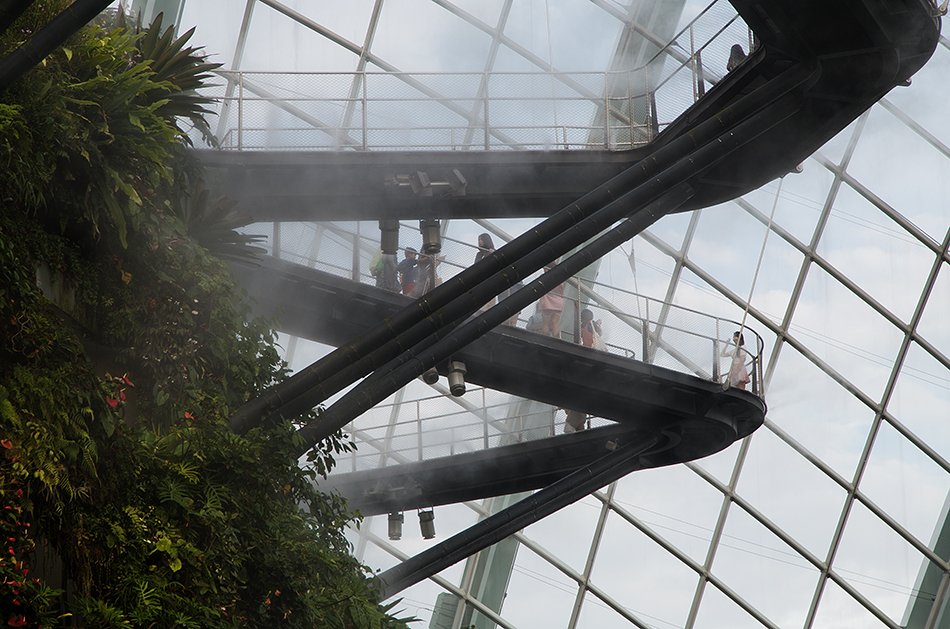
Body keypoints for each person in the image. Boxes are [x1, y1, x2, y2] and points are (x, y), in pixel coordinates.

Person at [539, 265, 564, 339]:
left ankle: (544, 340)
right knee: (555, 323)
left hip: (547, 301)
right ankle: (555, 340)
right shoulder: (560, 277)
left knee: (546, 324)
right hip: (558, 301)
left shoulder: (543, 277)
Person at [474, 233, 496, 311]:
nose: (480, 241)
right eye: (479, 239)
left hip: (489, 281)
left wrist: (493, 254)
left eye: (481, 239)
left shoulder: (493, 252)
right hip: (479, 280)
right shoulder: (479, 254)